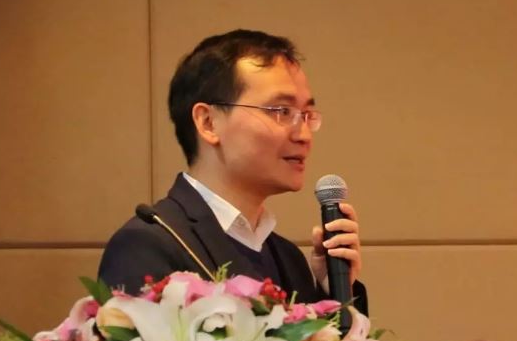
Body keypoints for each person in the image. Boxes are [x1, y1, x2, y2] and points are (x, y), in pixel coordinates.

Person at [98, 29, 367, 314]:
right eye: (281, 111)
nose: (303, 135)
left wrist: (333, 293)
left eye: (307, 115)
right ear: (208, 122)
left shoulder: (289, 259)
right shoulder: (149, 246)